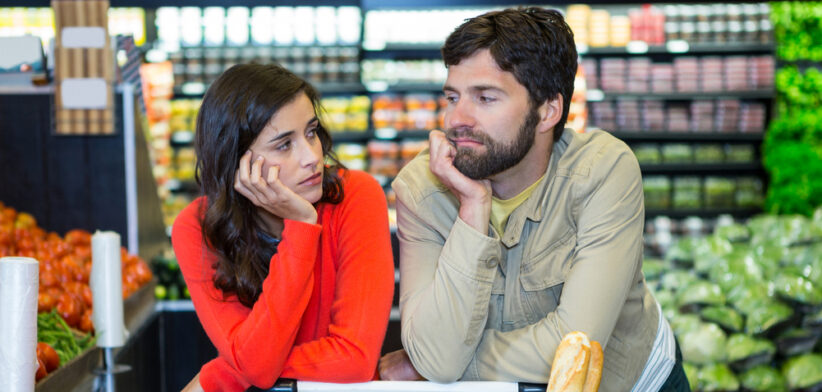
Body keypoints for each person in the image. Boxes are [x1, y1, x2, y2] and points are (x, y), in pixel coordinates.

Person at [378, 7, 689, 392]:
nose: (457, 118)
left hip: (632, 383)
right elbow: (437, 359)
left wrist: (439, 364)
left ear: (547, 111)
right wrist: (473, 208)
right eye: (452, 97)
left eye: (485, 98)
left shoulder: (601, 170)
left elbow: (576, 348)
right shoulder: (422, 188)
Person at [172, 63, 394, 392]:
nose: (312, 157)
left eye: (311, 132)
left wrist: (225, 372)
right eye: (284, 144)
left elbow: (355, 358)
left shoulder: (357, 196)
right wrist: (301, 227)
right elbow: (256, 366)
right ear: (236, 161)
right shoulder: (198, 227)